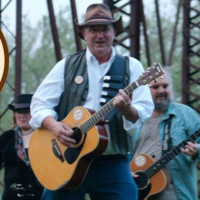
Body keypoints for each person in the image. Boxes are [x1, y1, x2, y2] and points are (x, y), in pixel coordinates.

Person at [29, 3, 154, 200]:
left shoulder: (132, 67)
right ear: (84, 34)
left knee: (127, 195)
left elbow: (143, 111)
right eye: (93, 30)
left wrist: (127, 109)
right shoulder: (66, 65)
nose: (99, 35)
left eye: (105, 29)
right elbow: (39, 104)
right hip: (66, 159)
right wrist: (54, 126)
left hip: (112, 162)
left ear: (114, 32)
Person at [131, 68, 200, 200]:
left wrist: (197, 150)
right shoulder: (134, 117)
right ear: (145, 91)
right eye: (155, 87)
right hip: (138, 193)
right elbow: (123, 154)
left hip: (176, 195)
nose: (161, 90)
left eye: (165, 86)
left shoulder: (185, 114)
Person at [0, 94, 43, 200]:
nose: (22, 115)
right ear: (15, 114)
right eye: (19, 111)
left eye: (26, 111)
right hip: (11, 196)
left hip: (40, 196)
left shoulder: (45, 137)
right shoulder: (7, 137)